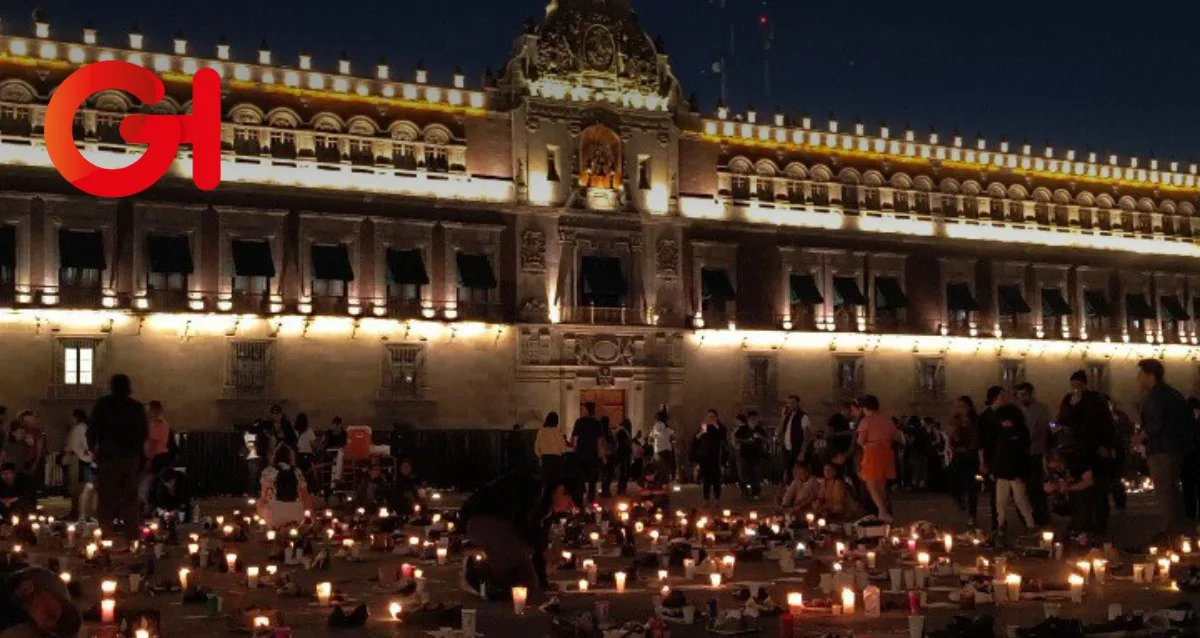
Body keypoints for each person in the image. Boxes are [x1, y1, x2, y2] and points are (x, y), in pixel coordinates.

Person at [459, 474, 578, 597]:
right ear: (561, 490)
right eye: (570, 502)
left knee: (530, 583)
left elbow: (537, 544)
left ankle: (494, 583)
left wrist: (543, 580)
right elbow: (522, 528)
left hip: (502, 529)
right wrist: (539, 552)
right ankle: (478, 574)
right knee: (522, 576)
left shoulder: (545, 507)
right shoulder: (535, 492)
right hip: (486, 523)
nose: (569, 508)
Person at [1136, 358, 1194, 537]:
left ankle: (1171, 532)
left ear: (1150, 375)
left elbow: (1156, 423)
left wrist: (1141, 436)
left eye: (1140, 374)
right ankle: (1177, 530)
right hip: (1174, 448)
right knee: (1171, 491)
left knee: (1165, 492)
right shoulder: (1172, 394)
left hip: (1162, 450)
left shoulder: (1157, 396)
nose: (1138, 378)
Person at [88, 374, 148, 543]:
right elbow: (144, 433)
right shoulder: (136, 407)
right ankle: (132, 536)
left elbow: (93, 429)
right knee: (130, 498)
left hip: (109, 458)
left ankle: (105, 535)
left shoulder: (103, 405)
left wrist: (93, 449)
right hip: (130, 459)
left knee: (107, 498)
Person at [991, 403, 1035, 543]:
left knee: (1021, 500)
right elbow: (999, 454)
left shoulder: (1021, 432)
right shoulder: (1003, 432)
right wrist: (995, 470)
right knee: (1000, 503)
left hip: (1015, 473)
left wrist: (1020, 473)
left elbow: (1022, 454)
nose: (1004, 423)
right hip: (1003, 473)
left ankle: (1031, 526)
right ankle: (1001, 527)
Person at [0, 566, 83, 637]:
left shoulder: (12, 619)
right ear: (60, 600)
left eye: (46, 619)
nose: (40, 612)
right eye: (50, 613)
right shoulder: (44, 579)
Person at [855, 395, 897, 522]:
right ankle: (885, 509)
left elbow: (861, 440)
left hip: (872, 451)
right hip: (886, 451)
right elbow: (893, 435)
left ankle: (882, 511)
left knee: (871, 483)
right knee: (881, 484)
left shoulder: (866, 420)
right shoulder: (886, 418)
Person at [1015, 382, 1052, 525]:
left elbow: (1039, 430)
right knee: (1021, 489)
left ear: (1030, 394)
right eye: (1018, 395)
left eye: (1023, 394)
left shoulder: (1041, 409)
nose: (1021, 397)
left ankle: (1041, 518)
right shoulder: (1017, 410)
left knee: (1035, 487)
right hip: (1021, 454)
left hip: (1035, 452)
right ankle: (1026, 517)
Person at [1044, 447, 1098, 544]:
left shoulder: (1076, 462)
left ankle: (1083, 532)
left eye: (1058, 466)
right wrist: (1053, 486)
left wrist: (1069, 488)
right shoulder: (1052, 469)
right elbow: (1047, 485)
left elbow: (1089, 481)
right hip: (1067, 491)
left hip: (1083, 490)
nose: (1057, 469)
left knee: (1082, 500)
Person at [256, 444, 312, 528]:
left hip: (274, 516)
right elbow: (305, 496)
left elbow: (264, 496)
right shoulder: (297, 472)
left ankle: (267, 526)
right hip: (297, 515)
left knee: (260, 502)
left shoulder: (268, 471)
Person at [946, 396, 980, 525]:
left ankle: (972, 515)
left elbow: (975, 439)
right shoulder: (955, 420)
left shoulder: (974, 421)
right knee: (952, 481)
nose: (959, 409)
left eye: (962, 406)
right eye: (958, 406)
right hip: (958, 457)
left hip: (971, 457)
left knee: (972, 487)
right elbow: (952, 438)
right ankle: (959, 499)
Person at [977, 386, 1007, 532]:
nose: (1004, 399)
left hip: (1007, 458)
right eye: (1002, 396)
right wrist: (982, 462)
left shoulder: (1007, 416)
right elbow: (981, 442)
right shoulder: (984, 417)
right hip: (992, 459)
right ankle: (998, 527)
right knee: (996, 496)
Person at [63, 409, 95, 521]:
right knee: (76, 488)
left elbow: (85, 446)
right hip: (77, 458)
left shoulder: (79, 428)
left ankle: (81, 513)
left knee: (79, 488)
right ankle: (78, 512)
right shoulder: (80, 428)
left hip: (78, 459)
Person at [140, 400, 171, 515]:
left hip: (155, 457)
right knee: (153, 484)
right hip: (160, 456)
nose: (145, 412)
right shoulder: (163, 422)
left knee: (148, 484)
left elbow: (153, 442)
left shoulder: (155, 423)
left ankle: (148, 509)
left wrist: (149, 459)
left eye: (147, 409)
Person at [570, 403, 605, 502]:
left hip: (581, 453)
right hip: (592, 454)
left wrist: (573, 448)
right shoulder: (597, 423)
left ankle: (580, 499)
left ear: (587, 410)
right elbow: (600, 441)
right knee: (592, 479)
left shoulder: (579, 422)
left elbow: (574, 437)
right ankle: (591, 499)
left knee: (580, 477)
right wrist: (601, 455)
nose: (581, 411)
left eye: (583, 409)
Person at [693, 413, 727, 502]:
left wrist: (715, 425)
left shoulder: (719, 427)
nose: (710, 420)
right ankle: (706, 498)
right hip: (705, 457)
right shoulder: (704, 427)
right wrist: (702, 431)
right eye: (709, 418)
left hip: (715, 457)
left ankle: (717, 498)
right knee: (706, 479)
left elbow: (722, 436)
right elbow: (696, 438)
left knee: (716, 479)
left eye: (712, 418)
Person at [534, 412, 570, 489]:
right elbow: (562, 446)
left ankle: (546, 499)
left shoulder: (541, 431)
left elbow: (536, 446)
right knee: (555, 483)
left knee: (546, 482)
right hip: (556, 459)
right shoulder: (556, 431)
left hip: (545, 459)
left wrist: (540, 456)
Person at [734, 414, 764, 499]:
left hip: (756, 455)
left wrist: (760, 437)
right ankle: (744, 491)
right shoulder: (742, 429)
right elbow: (736, 438)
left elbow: (767, 439)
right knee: (743, 474)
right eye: (751, 419)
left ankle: (756, 493)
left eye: (755, 419)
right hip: (744, 455)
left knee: (756, 474)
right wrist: (746, 441)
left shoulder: (760, 429)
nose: (753, 421)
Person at [778, 395, 809, 471]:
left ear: (797, 403)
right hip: (786, 450)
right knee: (787, 472)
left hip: (797, 450)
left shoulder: (803, 416)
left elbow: (806, 436)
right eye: (789, 403)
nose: (790, 405)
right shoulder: (787, 417)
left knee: (798, 472)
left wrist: (802, 452)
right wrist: (783, 417)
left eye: (792, 403)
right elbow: (777, 432)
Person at [1184, 397, 1200, 527]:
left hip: (1189, 461)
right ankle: (1190, 516)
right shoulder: (1187, 424)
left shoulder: (1185, 424)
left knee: (1189, 490)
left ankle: (1190, 517)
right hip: (1189, 461)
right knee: (1189, 490)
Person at [649, 409, 676, 485]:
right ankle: (665, 485)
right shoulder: (669, 428)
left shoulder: (654, 428)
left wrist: (655, 442)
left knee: (659, 469)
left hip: (658, 451)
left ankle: (659, 485)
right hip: (667, 451)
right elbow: (673, 439)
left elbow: (650, 440)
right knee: (666, 470)